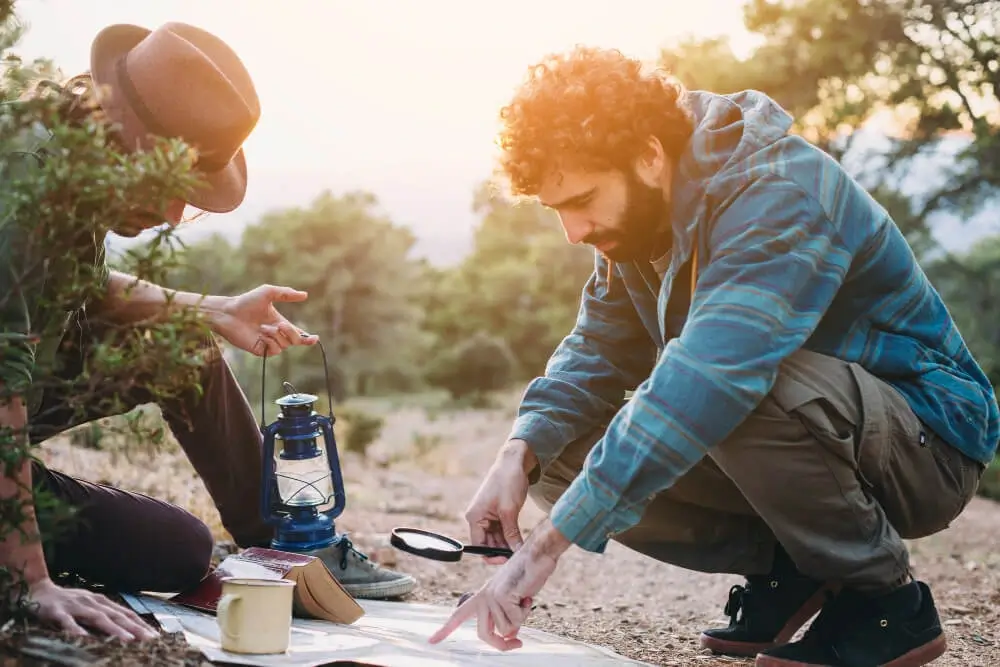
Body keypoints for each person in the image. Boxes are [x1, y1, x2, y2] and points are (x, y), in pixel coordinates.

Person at [428, 46, 998, 667]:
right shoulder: (639, 223)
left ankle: (886, 606)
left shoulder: (778, 188)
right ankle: (799, 568)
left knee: (735, 387)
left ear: (648, 155)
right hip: (822, 435)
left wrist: (541, 553)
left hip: (929, 447)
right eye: (556, 209)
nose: (574, 230)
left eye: (583, 199)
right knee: (557, 449)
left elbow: (711, 377)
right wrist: (516, 455)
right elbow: (595, 348)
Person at [0, 22, 416, 642]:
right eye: (167, 187)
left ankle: (280, 546)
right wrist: (30, 582)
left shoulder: (70, 154)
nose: (173, 215)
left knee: (179, 347)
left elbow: (82, 287)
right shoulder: (21, 183)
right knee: (179, 550)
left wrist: (214, 309)